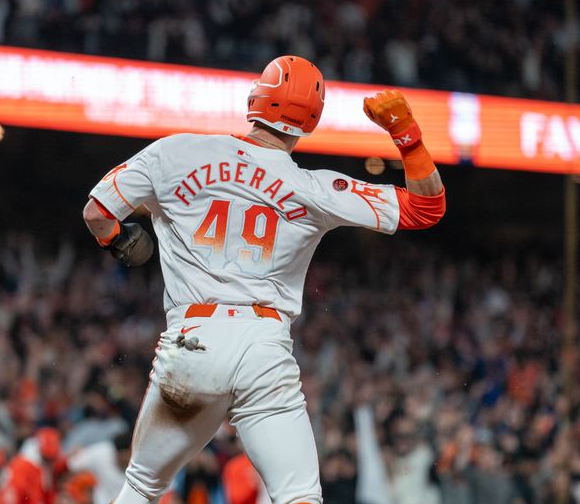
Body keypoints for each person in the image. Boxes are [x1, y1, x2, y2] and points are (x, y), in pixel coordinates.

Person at [82, 55, 446, 504]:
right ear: (311, 121)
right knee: (298, 496)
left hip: (194, 339)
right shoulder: (314, 187)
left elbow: (97, 212)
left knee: (141, 486)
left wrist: (119, 240)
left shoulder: (176, 152)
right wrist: (406, 136)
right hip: (264, 348)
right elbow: (427, 208)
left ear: (256, 97)